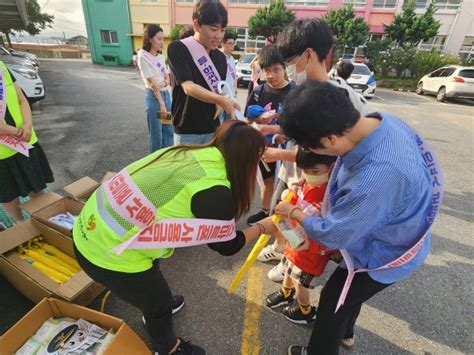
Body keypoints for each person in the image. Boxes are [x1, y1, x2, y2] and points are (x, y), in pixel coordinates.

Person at [73, 121, 276, 355]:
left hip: (87, 227)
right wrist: (262, 227)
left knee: (152, 278)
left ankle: (158, 304)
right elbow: (226, 244)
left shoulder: (187, 152)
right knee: (157, 304)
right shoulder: (215, 190)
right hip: (106, 254)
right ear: (247, 162)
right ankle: (167, 347)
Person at [273, 80, 441, 354]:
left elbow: (333, 233)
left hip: (384, 254)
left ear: (329, 139)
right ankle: (347, 333)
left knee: (332, 302)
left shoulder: (376, 177)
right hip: (396, 230)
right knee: (350, 299)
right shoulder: (384, 122)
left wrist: (294, 213)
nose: (309, 151)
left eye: (309, 146)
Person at [256, 19, 371, 282]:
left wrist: (278, 153)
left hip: (327, 182)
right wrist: (275, 131)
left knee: (298, 222)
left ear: (309, 55)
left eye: (291, 62)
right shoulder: (319, 90)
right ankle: (289, 261)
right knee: (288, 216)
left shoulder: (332, 98)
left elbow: (322, 152)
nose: (290, 70)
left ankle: (297, 270)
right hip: (312, 176)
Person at [266, 149, 337, 325]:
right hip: (295, 240)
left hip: (310, 250)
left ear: (332, 167)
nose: (309, 176)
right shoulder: (306, 182)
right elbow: (299, 198)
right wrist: (290, 197)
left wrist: (290, 215)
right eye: (305, 171)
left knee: (300, 283)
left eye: (315, 172)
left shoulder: (331, 195)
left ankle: (304, 309)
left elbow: (324, 229)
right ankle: (285, 292)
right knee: (288, 268)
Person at [168, 0, 240, 145]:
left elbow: (218, 90)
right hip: (187, 130)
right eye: (214, 29)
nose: (219, 36)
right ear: (196, 25)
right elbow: (188, 87)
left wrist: (228, 101)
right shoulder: (178, 49)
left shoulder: (220, 58)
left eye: (222, 30)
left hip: (212, 129)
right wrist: (221, 100)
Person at [245, 45, 295, 228]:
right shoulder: (258, 92)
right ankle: (265, 211)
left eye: (276, 69)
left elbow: (300, 125)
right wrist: (258, 118)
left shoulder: (295, 92)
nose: (272, 75)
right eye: (267, 71)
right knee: (266, 181)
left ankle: (282, 222)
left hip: (287, 151)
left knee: (286, 186)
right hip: (263, 148)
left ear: (284, 68)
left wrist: (282, 135)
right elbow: (247, 119)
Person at [0, 60, 54, 224]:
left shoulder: (2, 67)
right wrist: (15, 132)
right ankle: (20, 224)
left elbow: (22, 100)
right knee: (8, 193)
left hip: (24, 143)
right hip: (3, 152)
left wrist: (28, 125)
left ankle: (49, 221)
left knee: (37, 187)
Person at [137, 24, 174, 153]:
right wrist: (162, 104)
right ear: (150, 39)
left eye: (162, 39)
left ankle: (166, 158)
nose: (161, 42)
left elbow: (168, 80)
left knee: (168, 130)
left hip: (165, 96)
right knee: (156, 133)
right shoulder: (143, 56)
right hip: (155, 99)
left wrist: (162, 84)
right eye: (159, 39)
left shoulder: (160, 57)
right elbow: (152, 85)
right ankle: (155, 162)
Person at [219, 31, 238, 122]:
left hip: (231, 96)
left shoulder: (232, 58)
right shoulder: (218, 57)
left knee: (229, 123)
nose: (232, 46)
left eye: (233, 43)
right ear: (222, 43)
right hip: (221, 96)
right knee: (219, 123)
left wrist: (235, 90)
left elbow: (234, 76)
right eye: (230, 43)